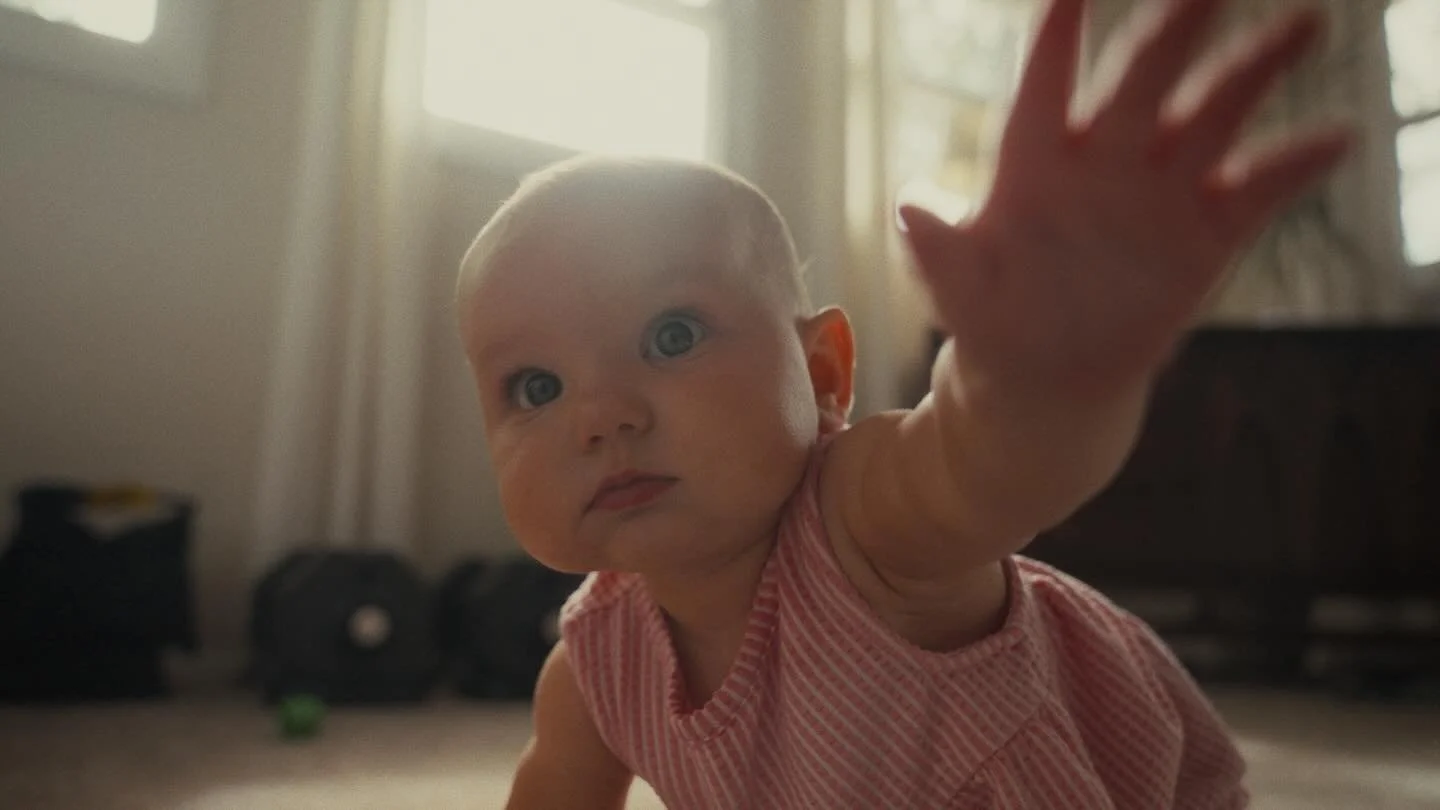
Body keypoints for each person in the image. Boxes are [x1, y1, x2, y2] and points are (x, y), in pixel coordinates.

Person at [454, 0, 1352, 806]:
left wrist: (1034, 381)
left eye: (673, 336)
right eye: (537, 387)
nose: (601, 415)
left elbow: (987, 466)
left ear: (822, 374)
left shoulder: (867, 528)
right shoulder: (595, 668)